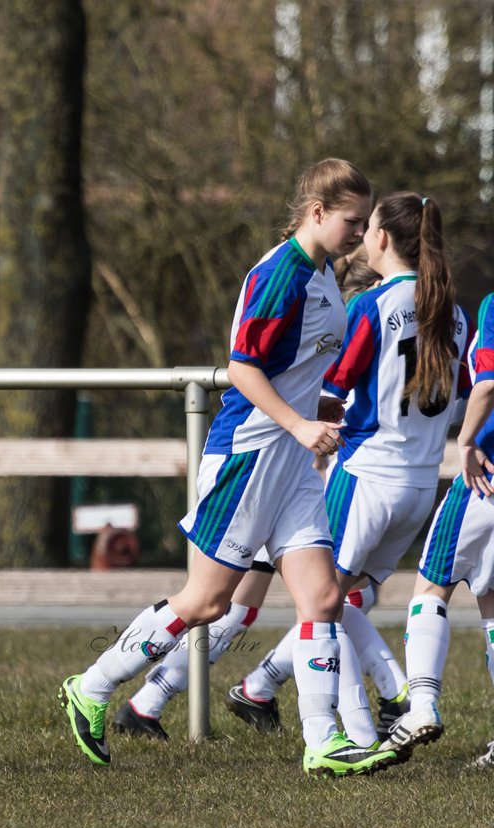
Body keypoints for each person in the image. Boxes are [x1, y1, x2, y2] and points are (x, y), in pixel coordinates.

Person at [58, 158, 400, 778]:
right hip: (248, 455)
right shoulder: (280, 276)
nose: (359, 232)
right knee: (207, 603)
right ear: (317, 212)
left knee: (322, 597)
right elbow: (242, 367)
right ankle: (93, 685)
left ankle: (322, 743)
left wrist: (316, 410)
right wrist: (297, 422)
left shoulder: (324, 273)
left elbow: (292, 372)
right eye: (351, 220)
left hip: (293, 461)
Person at [228, 193, 470, 746]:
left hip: (367, 473)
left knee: (323, 601)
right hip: (419, 485)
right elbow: (460, 398)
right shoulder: (452, 312)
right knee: (342, 597)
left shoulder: (372, 306)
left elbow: (329, 392)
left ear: (381, 239)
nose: (360, 235)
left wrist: (308, 445)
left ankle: (363, 724)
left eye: (368, 226)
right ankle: (264, 687)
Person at [386, 286, 494, 758]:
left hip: (486, 479)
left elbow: (488, 382)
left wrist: (467, 440)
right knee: (492, 604)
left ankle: (423, 705)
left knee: (431, 590)